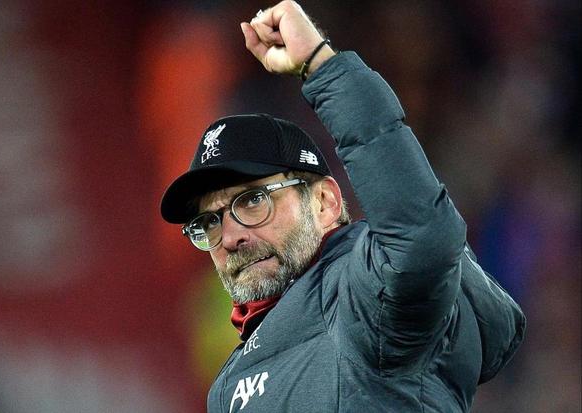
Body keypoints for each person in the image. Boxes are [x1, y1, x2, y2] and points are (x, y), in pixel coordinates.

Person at [160, 1, 525, 412]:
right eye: (209, 222)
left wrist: (322, 66)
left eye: (253, 200)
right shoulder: (228, 387)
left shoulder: (368, 298)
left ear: (325, 203)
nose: (229, 237)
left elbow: (421, 238)